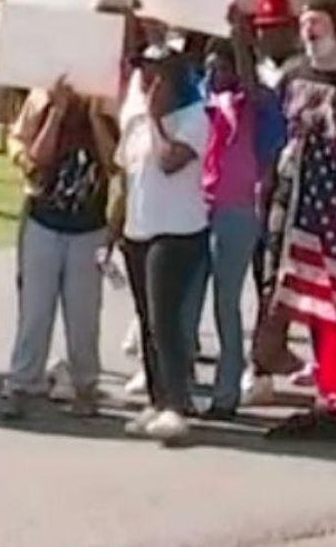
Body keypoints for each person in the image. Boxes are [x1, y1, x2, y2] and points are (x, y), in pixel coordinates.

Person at [249, 0, 336, 401]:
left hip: (334, 192)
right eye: (304, 24)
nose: (308, 31)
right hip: (287, 185)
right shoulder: (294, 75)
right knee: (273, 277)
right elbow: (271, 127)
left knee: (328, 287)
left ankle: (330, 376)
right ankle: (262, 365)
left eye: (316, 22)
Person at [0, 80, 120, 420]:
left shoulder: (106, 103)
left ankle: (85, 386)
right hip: (43, 220)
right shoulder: (41, 98)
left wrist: (95, 117)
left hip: (89, 226)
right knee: (35, 309)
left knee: (84, 313)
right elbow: (35, 157)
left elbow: (114, 162)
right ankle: (22, 383)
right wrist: (57, 111)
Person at [118, 49, 210, 443]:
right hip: (138, 229)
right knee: (145, 322)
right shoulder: (137, 121)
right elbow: (126, 174)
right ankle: (156, 400)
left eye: (156, 76)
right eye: (143, 74)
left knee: (164, 321)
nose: (146, 82)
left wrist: (156, 118)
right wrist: (113, 230)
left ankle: (176, 404)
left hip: (177, 232)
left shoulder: (195, 118)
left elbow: (169, 161)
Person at [194, 21, 268, 419]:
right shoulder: (201, 102)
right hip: (197, 209)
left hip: (236, 211)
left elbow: (253, 89)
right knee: (189, 300)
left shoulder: (247, 103)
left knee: (226, 301)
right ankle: (181, 385)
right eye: (209, 68)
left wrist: (240, 40)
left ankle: (227, 392)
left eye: (220, 68)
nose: (214, 75)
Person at [252, 0, 304, 90]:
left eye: (273, 27)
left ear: (290, 30)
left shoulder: (306, 66)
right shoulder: (259, 68)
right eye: (263, 28)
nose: (265, 34)